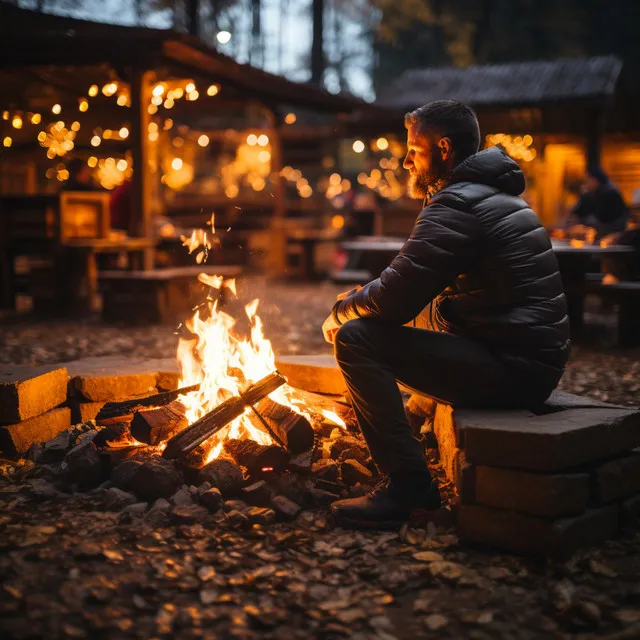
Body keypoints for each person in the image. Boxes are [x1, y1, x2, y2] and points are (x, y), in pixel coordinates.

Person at [322, 100, 570, 529]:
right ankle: (415, 425)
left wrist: (340, 310)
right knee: (398, 320)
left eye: (413, 150)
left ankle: (408, 490)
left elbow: (394, 299)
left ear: (443, 148)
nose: (405, 160)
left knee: (355, 337)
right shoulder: (491, 195)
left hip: (516, 370)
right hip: (527, 358)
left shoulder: (458, 205)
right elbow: (415, 292)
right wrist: (366, 297)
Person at [569, 165, 628, 240]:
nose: (586, 183)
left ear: (595, 180)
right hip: (600, 238)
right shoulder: (590, 195)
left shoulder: (610, 195)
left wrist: (584, 222)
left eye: (587, 179)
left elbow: (604, 219)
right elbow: (578, 213)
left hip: (610, 239)